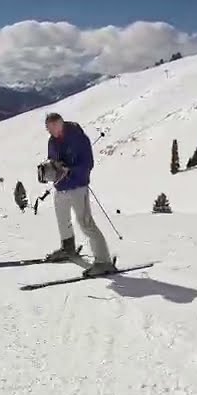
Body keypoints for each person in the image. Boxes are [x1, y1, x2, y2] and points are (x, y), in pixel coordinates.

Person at [41, 113, 113, 275]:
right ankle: (68, 249)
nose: (50, 131)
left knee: (86, 223)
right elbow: (52, 159)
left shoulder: (79, 138)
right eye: (48, 128)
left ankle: (104, 261)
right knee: (62, 220)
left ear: (61, 124)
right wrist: (50, 167)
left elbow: (89, 164)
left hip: (78, 186)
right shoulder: (52, 141)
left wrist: (70, 170)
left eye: (53, 127)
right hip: (60, 187)